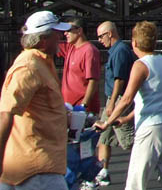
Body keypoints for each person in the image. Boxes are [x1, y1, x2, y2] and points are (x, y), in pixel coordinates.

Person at [94, 20, 162, 190]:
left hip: (151, 128)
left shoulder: (140, 65)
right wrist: (126, 118)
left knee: (135, 181)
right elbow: (152, 98)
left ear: (135, 43)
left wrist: (107, 122)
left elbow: (127, 98)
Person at [0, 10, 71, 190]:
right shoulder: (29, 66)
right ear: (43, 39)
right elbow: (5, 113)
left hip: (39, 164)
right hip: (36, 167)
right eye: (57, 34)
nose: (61, 38)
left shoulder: (42, 63)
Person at [95, 21, 135, 186]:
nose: (99, 40)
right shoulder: (114, 51)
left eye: (101, 36)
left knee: (127, 140)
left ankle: (156, 160)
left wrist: (111, 103)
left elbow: (120, 80)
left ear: (110, 34)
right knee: (104, 137)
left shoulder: (120, 51)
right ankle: (102, 171)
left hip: (118, 100)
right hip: (111, 98)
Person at [61, 19, 102, 116]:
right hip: (68, 107)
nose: (65, 33)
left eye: (68, 30)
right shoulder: (70, 48)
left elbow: (93, 81)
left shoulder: (90, 51)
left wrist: (84, 105)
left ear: (79, 31)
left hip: (82, 109)